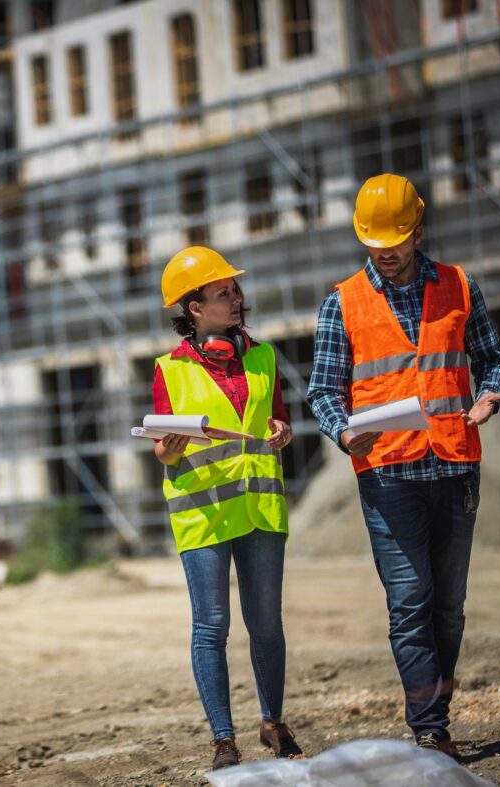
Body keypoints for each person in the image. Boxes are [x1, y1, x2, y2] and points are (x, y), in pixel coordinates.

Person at [306, 174, 500, 758]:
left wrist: (490, 394)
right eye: (373, 242)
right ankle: (430, 726)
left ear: (419, 230)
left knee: (448, 605)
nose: (384, 252)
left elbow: (493, 357)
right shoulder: (340, 302)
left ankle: (436, 705)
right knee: (411, 599)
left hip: (455, 464)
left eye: (395, 240)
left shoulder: (459, 286)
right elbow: (323, 392)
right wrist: (344, 431)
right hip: (388, 474)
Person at [153, 245, 304, 771]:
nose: (235, 298)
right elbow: (162, 443)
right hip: (204, 514)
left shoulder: (262, 357)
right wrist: (165, 449)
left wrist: (282, 430)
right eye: (222, 293)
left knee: (266, 624)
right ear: (194, 308)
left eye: (235, 289)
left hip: (260, 510)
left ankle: (272, 721)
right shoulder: (168, 369)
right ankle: (223, 738)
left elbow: (279, 419)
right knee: (210, 626)